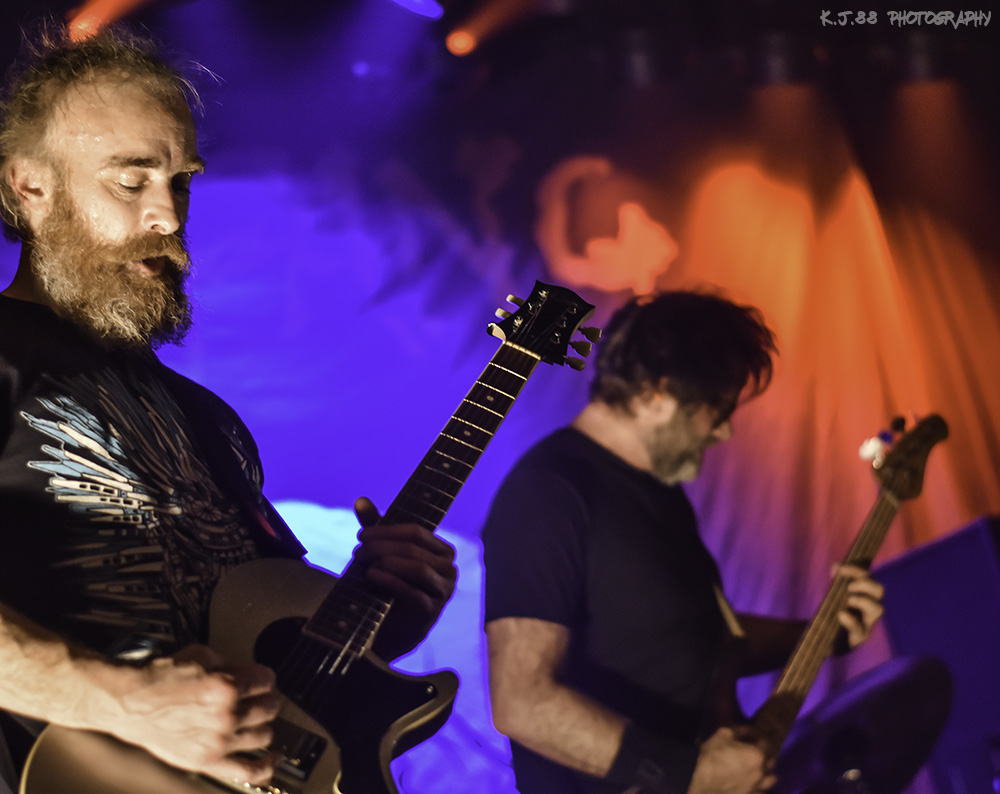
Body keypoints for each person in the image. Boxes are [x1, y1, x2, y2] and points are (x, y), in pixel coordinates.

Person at [0, 25, 457, 791]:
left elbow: (275, 649)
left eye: (181, 182)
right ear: (29, 185)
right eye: (130, 180)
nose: (169, 218)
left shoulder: (212, 423)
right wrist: (123, 702)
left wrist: (383, 614)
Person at [481, 291, 886, 794]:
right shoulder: (549, 492)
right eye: (716, 409)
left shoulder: (661, 495)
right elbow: (523, 702)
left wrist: (827, 631)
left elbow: (705, 643)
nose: (724, 432)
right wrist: (693, 774)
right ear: (657, 394)